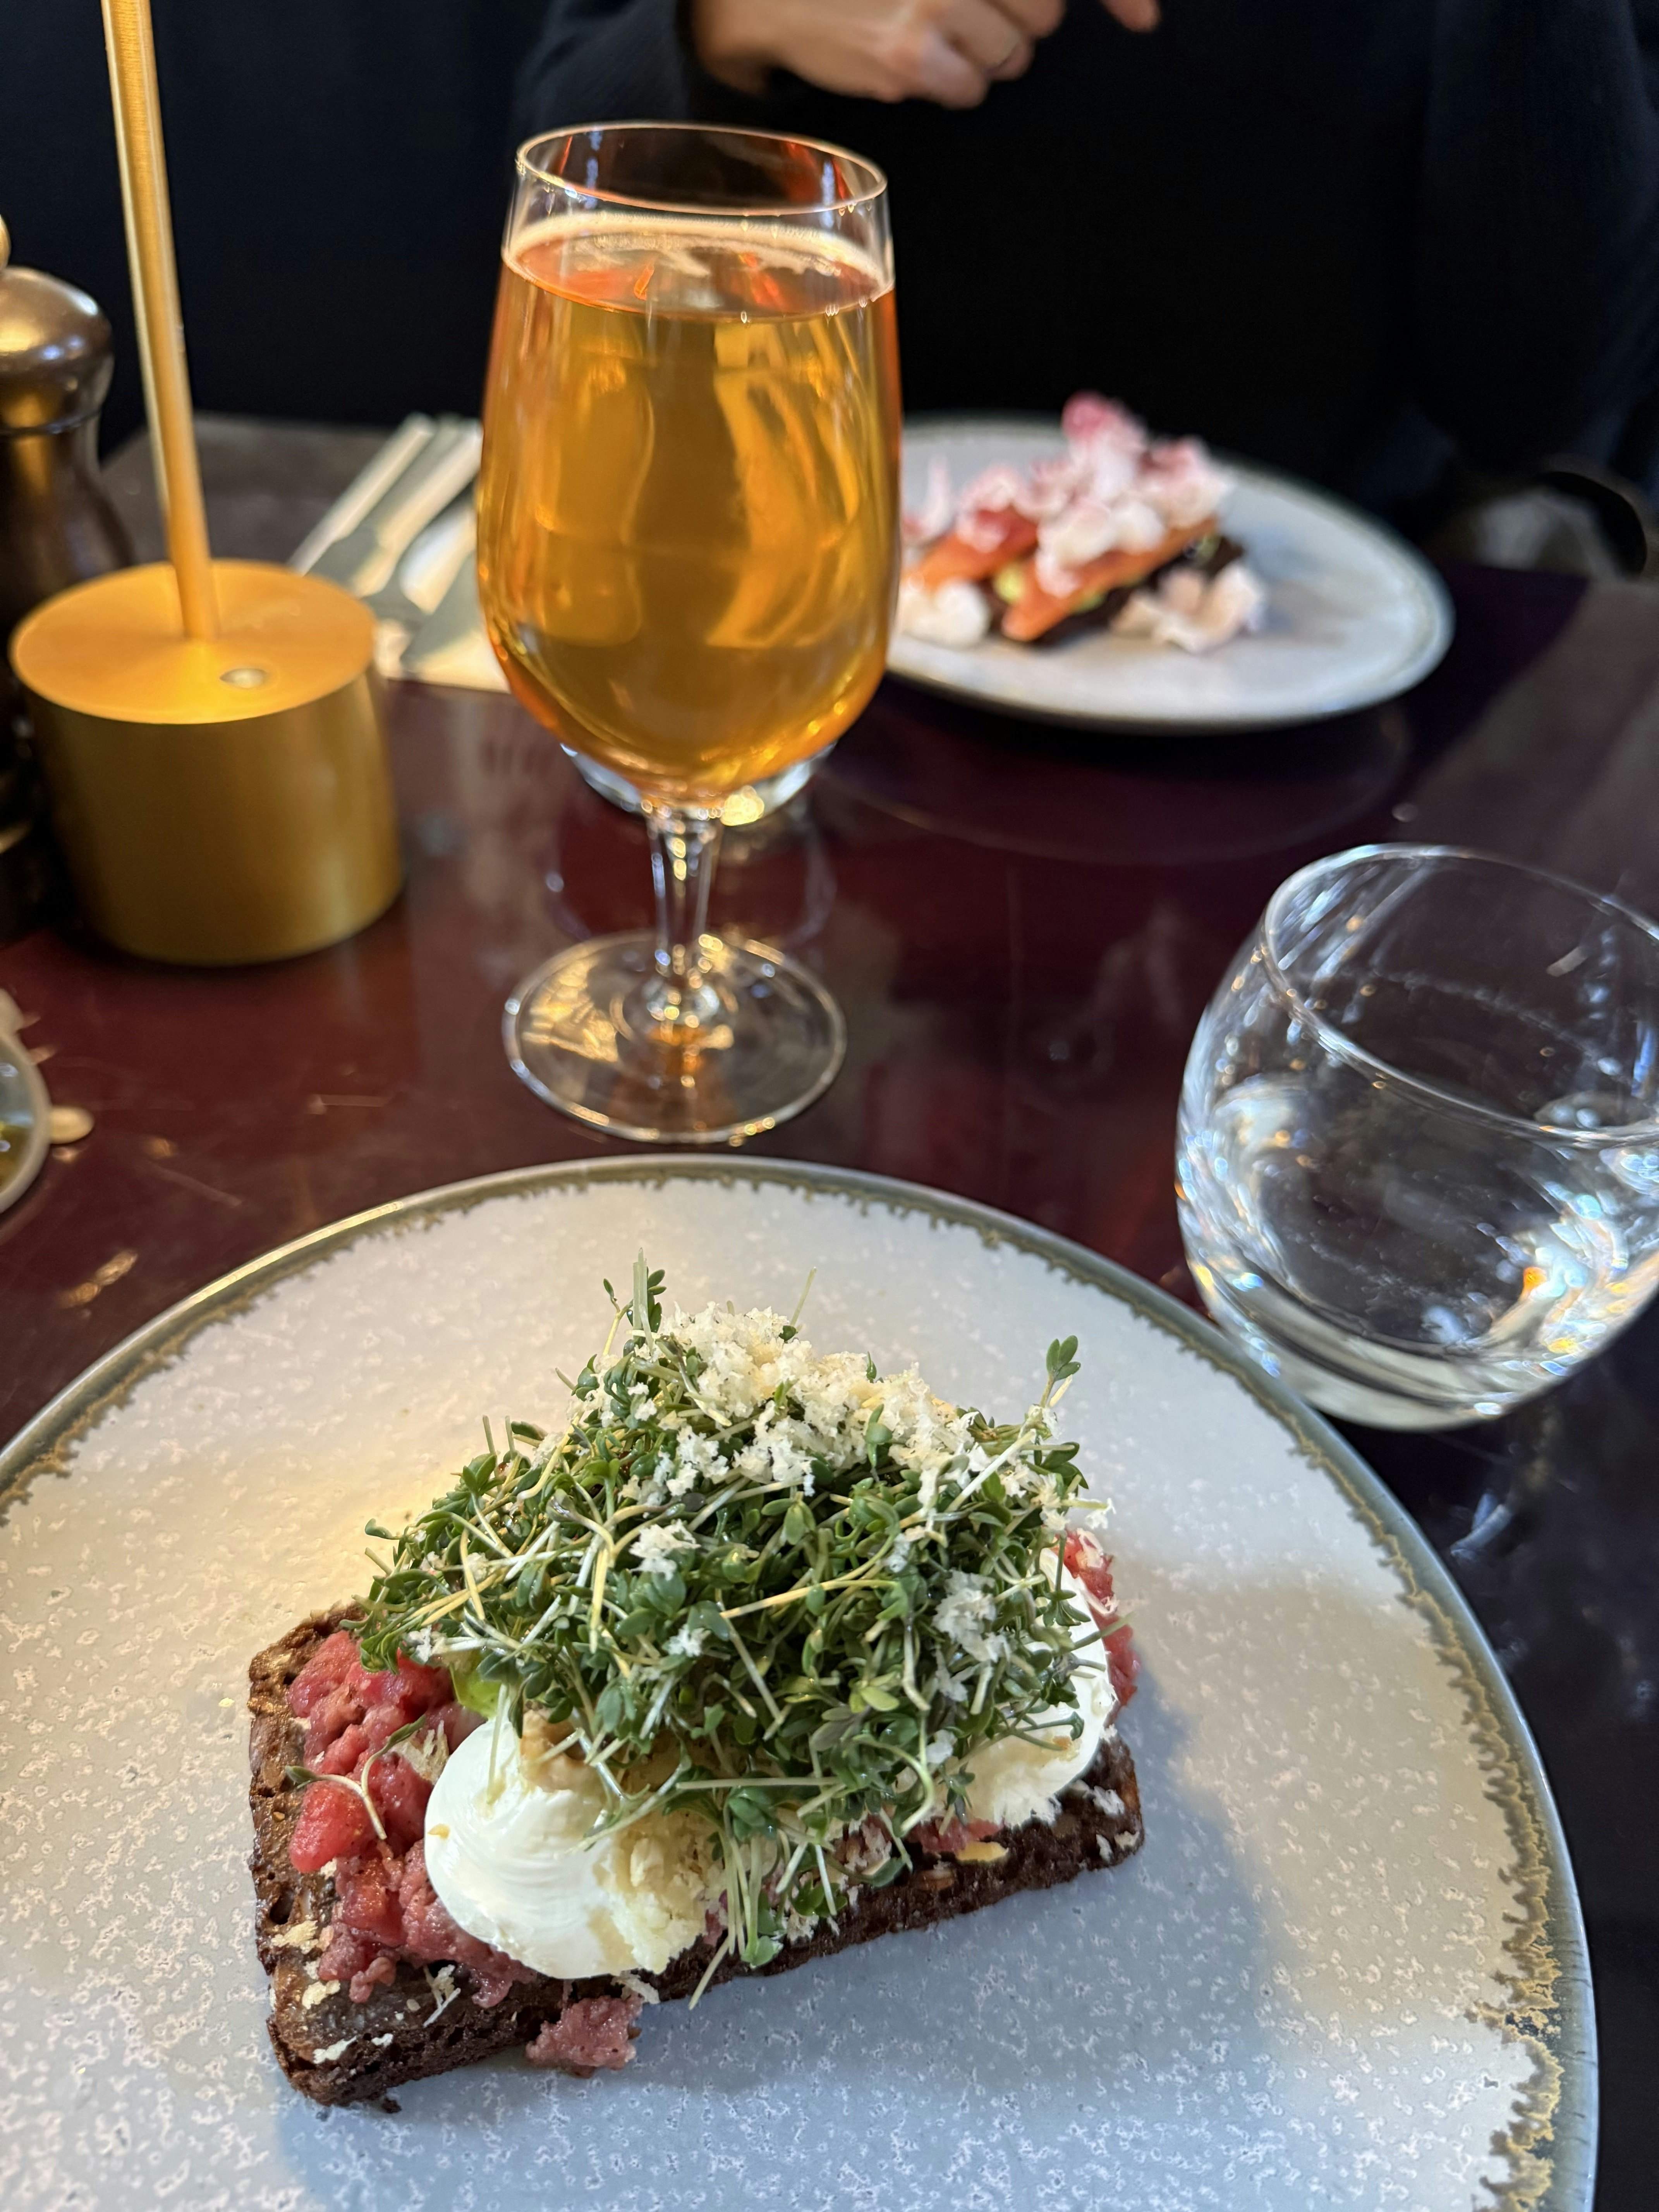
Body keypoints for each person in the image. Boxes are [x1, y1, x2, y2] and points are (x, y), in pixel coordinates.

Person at [515, 0, 1659, 518]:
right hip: (801, 591)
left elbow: (1537, 402)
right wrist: (732, 23)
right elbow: (560, 173)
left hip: (1306, 669)